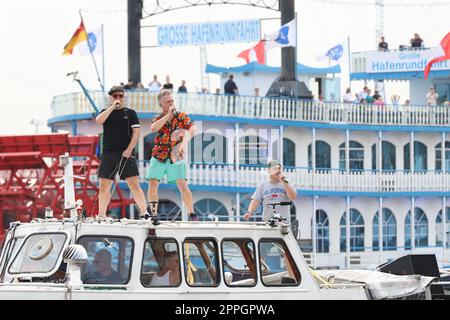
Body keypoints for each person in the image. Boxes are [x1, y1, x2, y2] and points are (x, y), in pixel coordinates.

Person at [95, 86, 151, 219]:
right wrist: (112, 107)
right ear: (111, 98)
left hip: (126, 153)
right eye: (115, 96)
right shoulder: (105, 112)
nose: (118, 98)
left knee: (134, 184)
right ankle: (101, 215)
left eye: (120, 96)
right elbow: (98, 121)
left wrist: (129, 149)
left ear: (124, 97)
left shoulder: (131, 113)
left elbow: (136, 133)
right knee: (104, 186)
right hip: (108, 154)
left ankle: (144, 212)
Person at [146, 89, 198, 221]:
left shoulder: (181, 116)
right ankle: (153, 214)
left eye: (172, 101)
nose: (171, 103)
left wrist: (183, 143)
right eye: (168, 102)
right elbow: (154, 128)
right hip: (159, 154)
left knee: (182, 184)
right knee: (153, 182)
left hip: (176, 154)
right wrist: (168, 116)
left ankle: (192, 214)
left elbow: (192, 128)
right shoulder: (158, 118)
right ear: (161, 104)